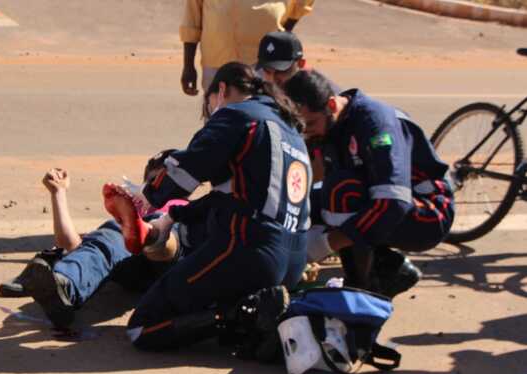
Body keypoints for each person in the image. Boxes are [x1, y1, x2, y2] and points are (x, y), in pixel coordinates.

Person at [105, 62, 311, 352]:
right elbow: (229, 197)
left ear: (221, 91)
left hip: (248, 251)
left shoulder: (237, 115)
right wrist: (171, 218)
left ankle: (236, 314)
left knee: (143, 327)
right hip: (293, 263)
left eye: (209, 101)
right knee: (207, 298)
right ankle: (254, 314)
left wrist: (147, 196)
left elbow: (186, 170)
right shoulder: (291, 131)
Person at [283, 70, 454, 296]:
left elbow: (393, 202)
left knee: (341, 192)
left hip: (428, 212)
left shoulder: (376, 123)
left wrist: (326, 244)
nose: (306, 131)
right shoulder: (330, 124)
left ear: (332, 105)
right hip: (380, 201)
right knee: (297, 202)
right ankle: (388, 266)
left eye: (310, 123)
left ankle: (360, 290)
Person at [1, 150, 200, 329]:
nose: (161, 185)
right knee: (108, 237)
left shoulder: (186, 205)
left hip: (171, 260)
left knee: (167, 225)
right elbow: (73, 247)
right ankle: (67, 286)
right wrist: (58, 193)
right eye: (155, 179)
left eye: (167, 179)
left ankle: (151, 235)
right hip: (132, 264)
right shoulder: (129, 212)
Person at [180, 0, 316, 95]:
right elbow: (192, 16)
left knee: (264, 118)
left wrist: (286, 29)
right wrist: (188, 65)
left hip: (265, 62)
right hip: (216, 58)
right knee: (217, 120)